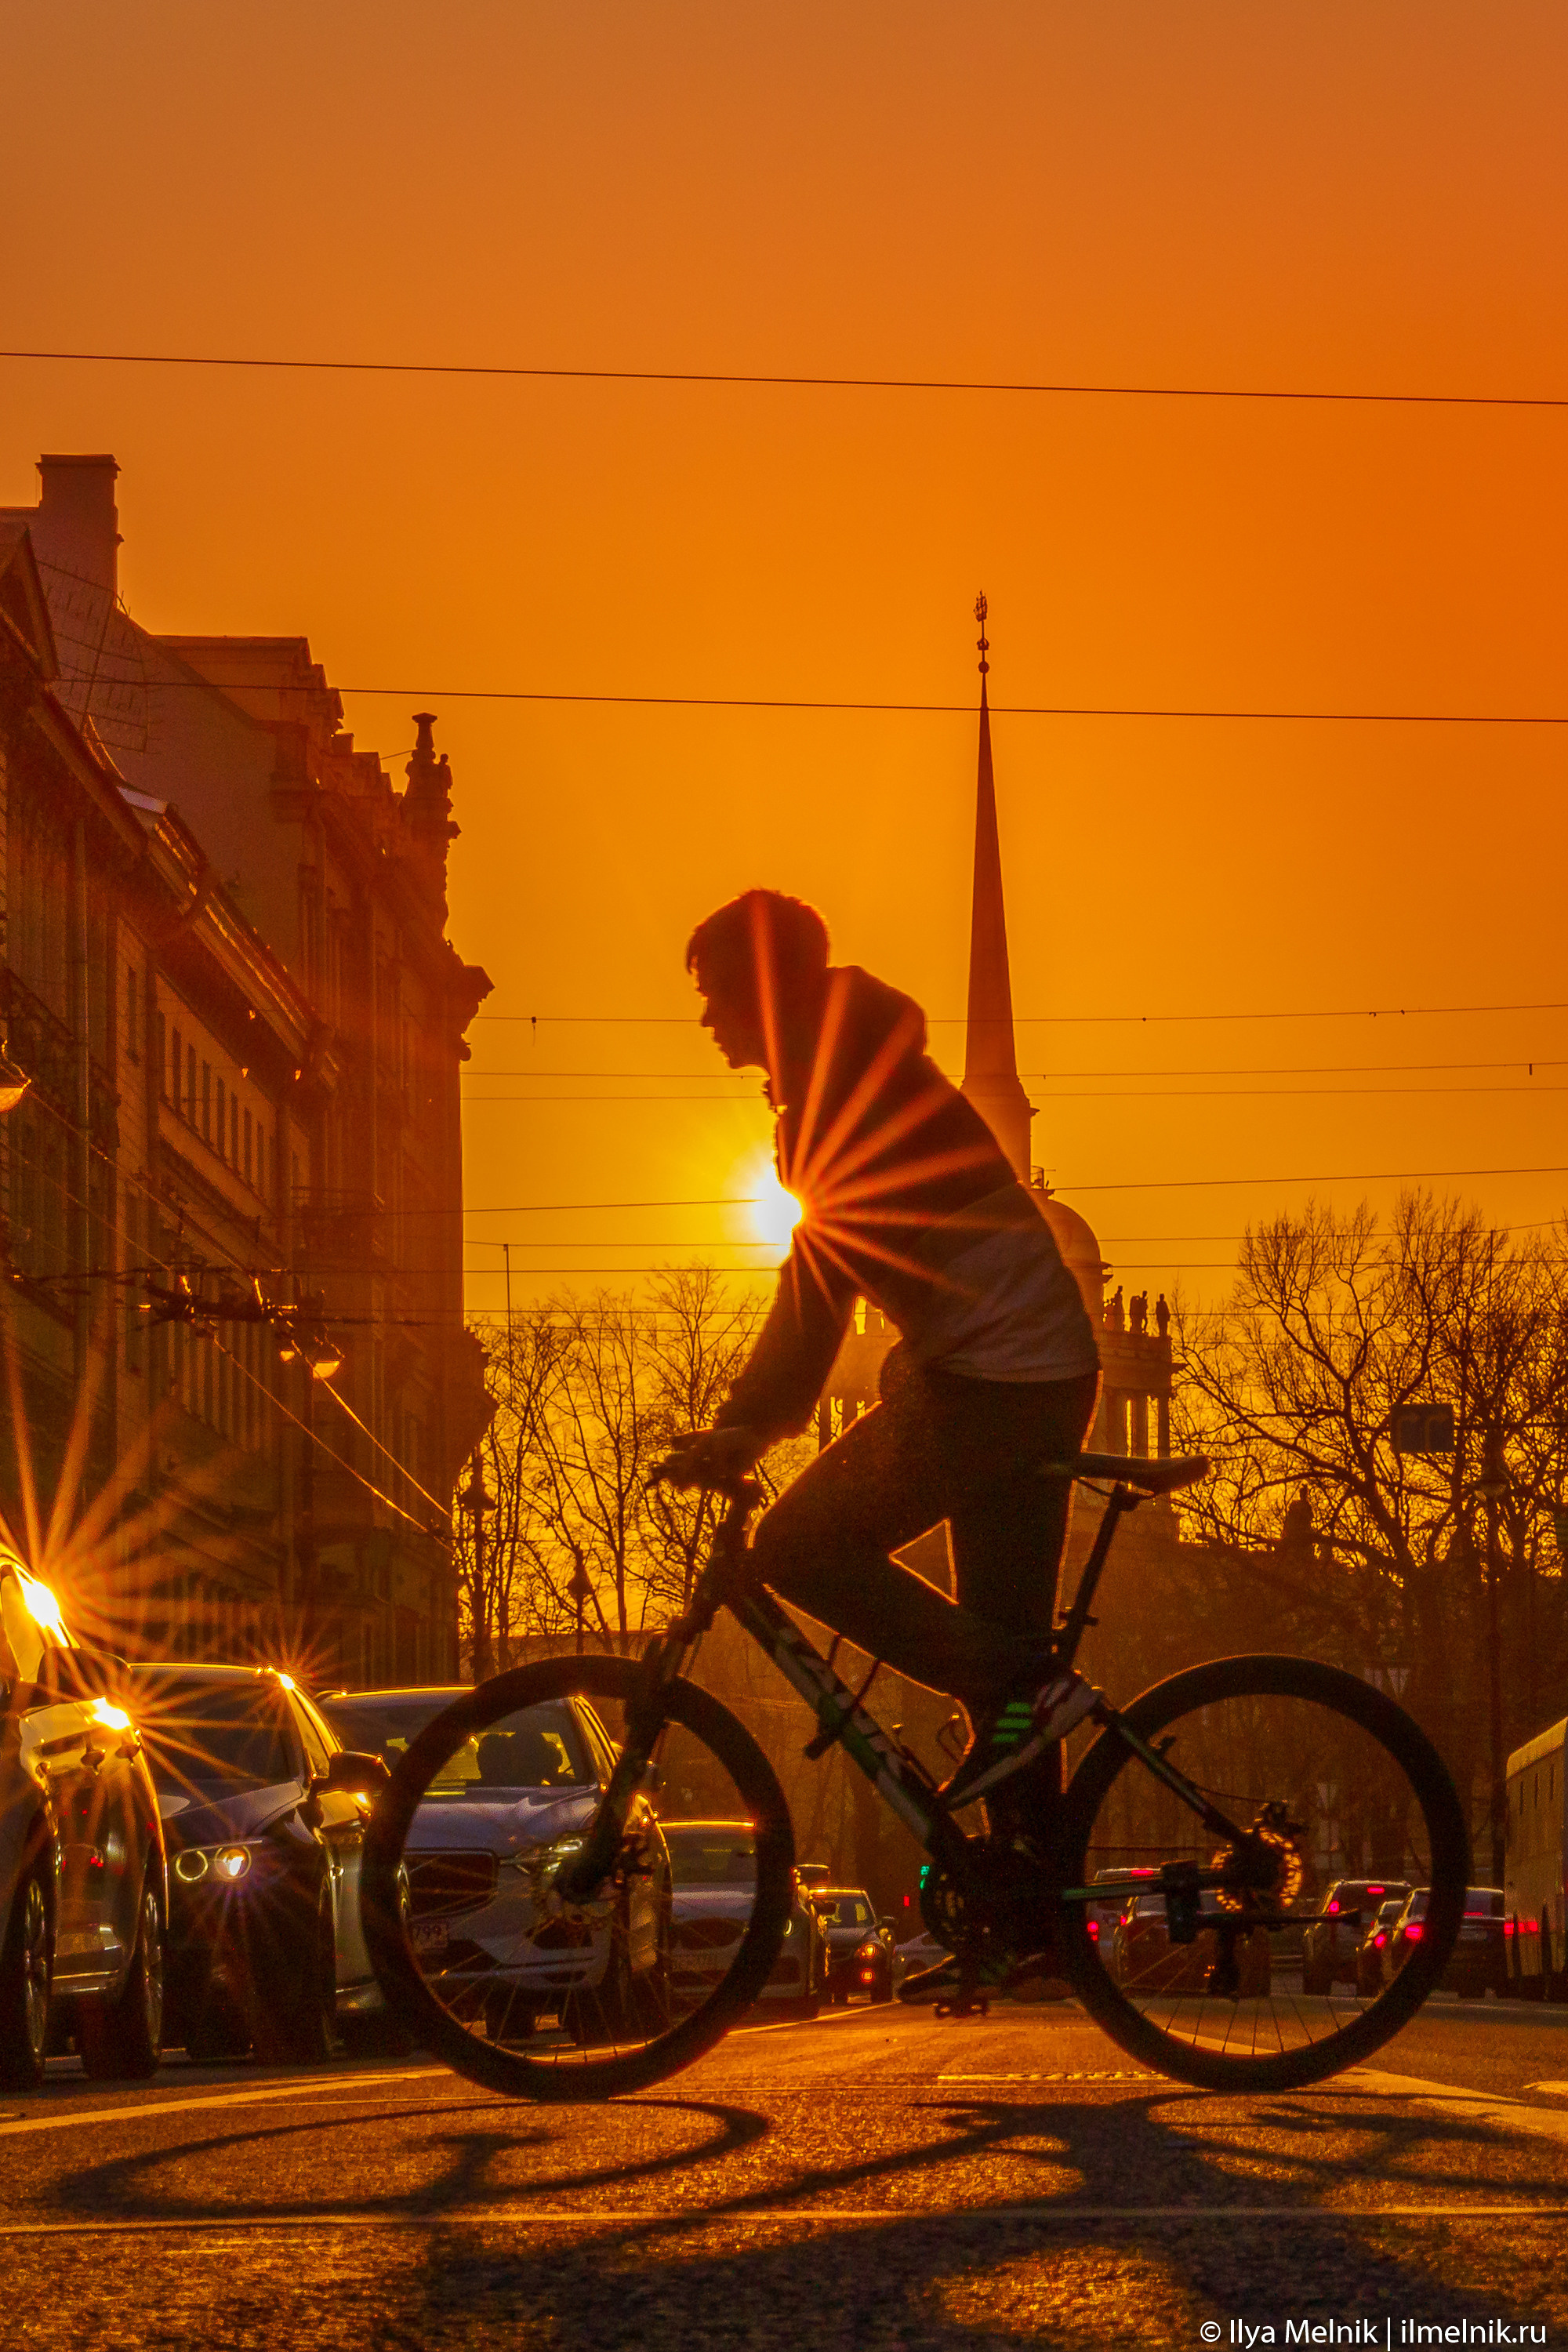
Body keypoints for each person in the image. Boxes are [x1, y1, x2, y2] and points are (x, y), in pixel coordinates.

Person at [662, 889, 1102, 1813]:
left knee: (800, 1546)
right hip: (1030, 1371)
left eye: (715, 995)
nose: (702, 1018)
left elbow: (817, 1288)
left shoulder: (842, 1102)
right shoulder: (854, 1073)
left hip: (995, 1384)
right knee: (1008, 1688)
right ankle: (1028, 1916)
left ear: (763, 993)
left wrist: (748, 1425)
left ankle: (1020, 1693)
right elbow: (826, 1273)